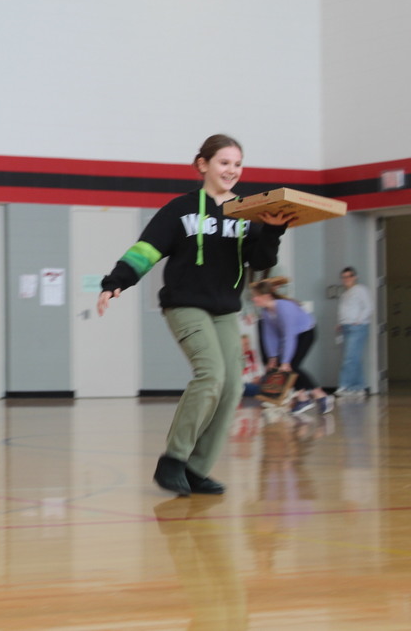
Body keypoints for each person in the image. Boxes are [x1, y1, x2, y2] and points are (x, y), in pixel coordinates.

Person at [97, 134, 293, 497]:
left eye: (237, 164)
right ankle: (172, 459)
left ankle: (195, 470)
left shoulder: (248, 213)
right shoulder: (181, 210)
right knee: (211, 375)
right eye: (224, 162)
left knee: (233, 386)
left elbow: (262, 261)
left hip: (225, 310)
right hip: (185, 304)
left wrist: (274, 230)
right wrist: (115, 282)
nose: (231, 170)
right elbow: (147, 248)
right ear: (202, 164)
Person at [251, 278, 334, 415]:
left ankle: (320, 395)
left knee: (291, 367)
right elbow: (270, 336)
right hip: (293, 336)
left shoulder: (284, 307)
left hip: (306, 332)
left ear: (265, 296)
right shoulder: (266, 312)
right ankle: (304, 397)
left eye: (255, 297)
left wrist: (285, 361)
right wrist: (273, 358)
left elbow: (289, 336)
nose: (254, 300)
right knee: (288, 368)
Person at [336, 266, 372, 396]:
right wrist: (340, 323)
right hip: (346, 327)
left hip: (357, 327)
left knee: (349, 358)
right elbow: (344, 310)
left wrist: (359, 320)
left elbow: (368, 307)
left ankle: (344, 385)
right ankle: (358, 387)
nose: (346, 279)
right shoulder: (345, 293)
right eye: (344, 277)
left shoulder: (360, 290)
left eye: (349, 276)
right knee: (354, 358)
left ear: (355, 277)